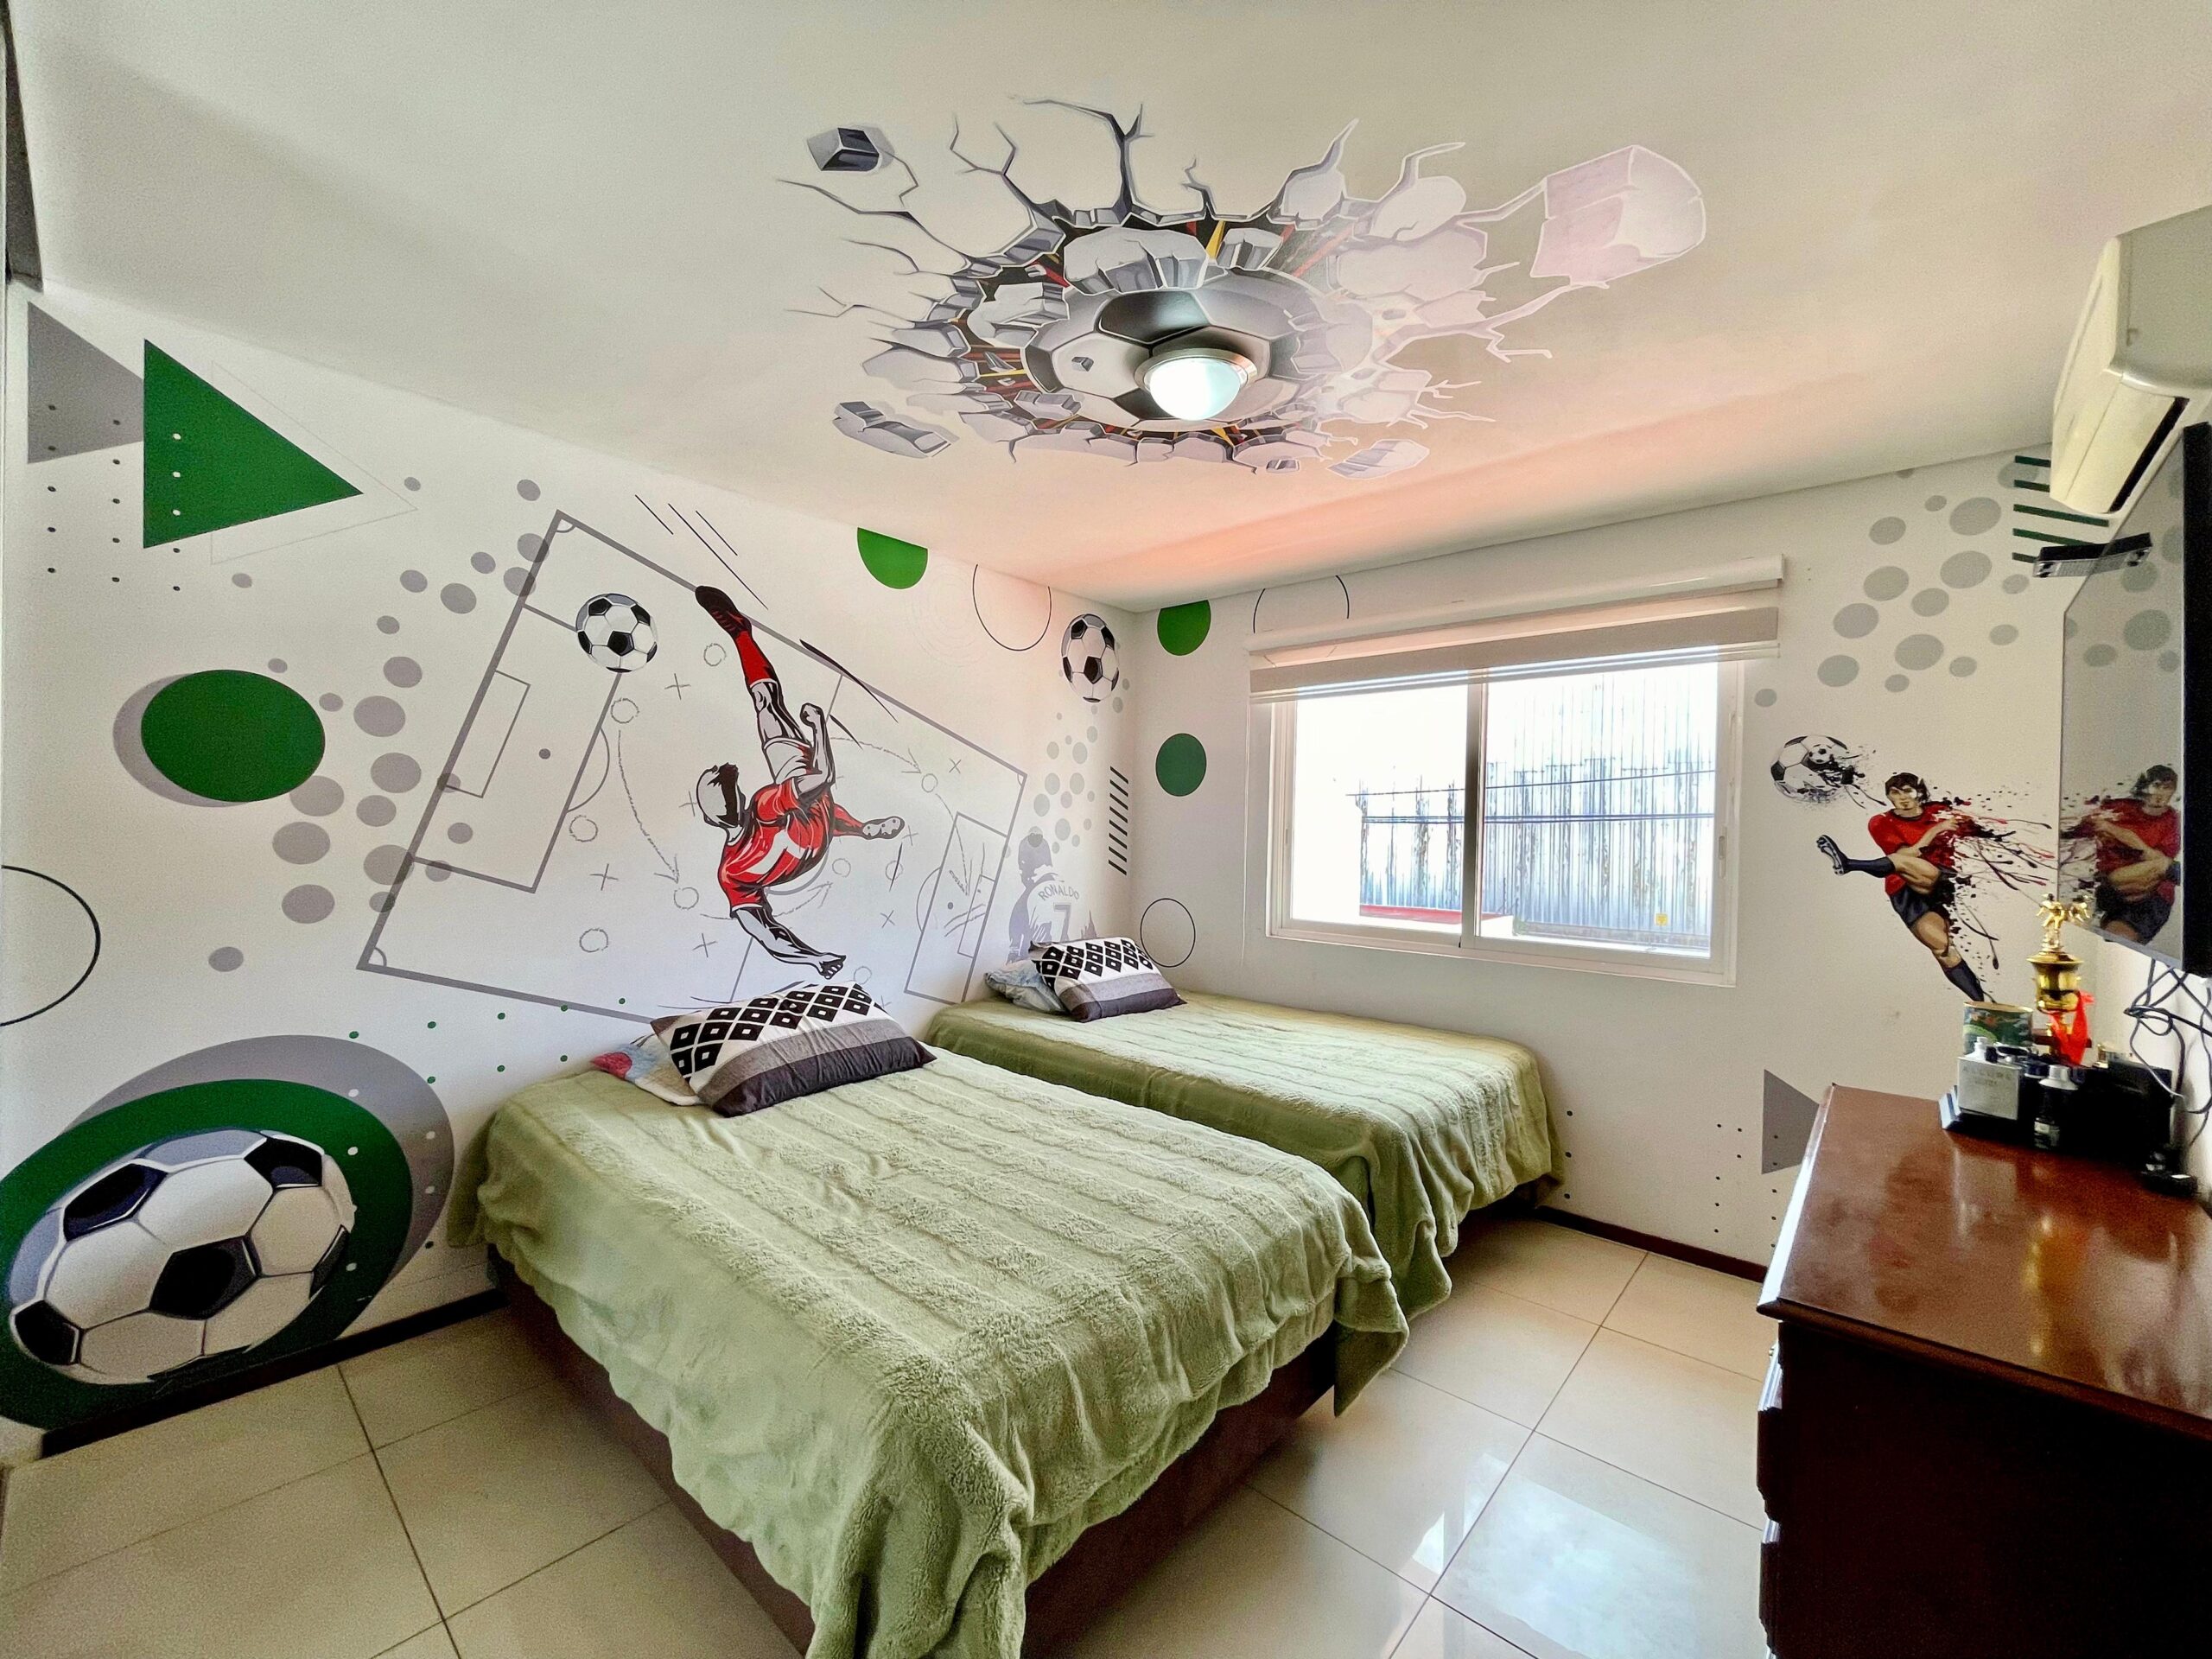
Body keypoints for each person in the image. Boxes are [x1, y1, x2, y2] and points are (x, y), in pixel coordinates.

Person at [693, 585, 903, 976]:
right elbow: (766, 934)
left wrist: (818, 730)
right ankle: (863, 829)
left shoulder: (763, 810)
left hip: (801, 786)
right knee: (814, 801)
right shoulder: (737, 863)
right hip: (811, 816)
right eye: (729, 791)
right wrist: (818, 724)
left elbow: (820, 778)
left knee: (767, 706)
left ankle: (741, 634)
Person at [1817, 771, 1988, 999]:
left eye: (1908, 791)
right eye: (1895, 793)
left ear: (1919, 792)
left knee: (1943, 946)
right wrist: (1936, 830)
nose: (1902, 797)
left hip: (1940, 880)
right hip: (1906, 887)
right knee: (1941, 947)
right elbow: (1908, 855)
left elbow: (1971, 828)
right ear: (1889, 796)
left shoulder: (1937, 812)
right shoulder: (1880, 822)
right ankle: (1981, 1005)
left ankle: (1850, 864)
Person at [2085, 764, 2182, 944]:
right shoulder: (2120, 807)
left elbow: (2154, 860)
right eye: (2156, 785)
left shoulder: (2173, 820)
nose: (2160, 793)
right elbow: (2086, 821)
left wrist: (2116, 831)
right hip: (2111, 885)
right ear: (2145, 787)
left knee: (2118, 942)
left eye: (2167, 788)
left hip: (2149, 899)